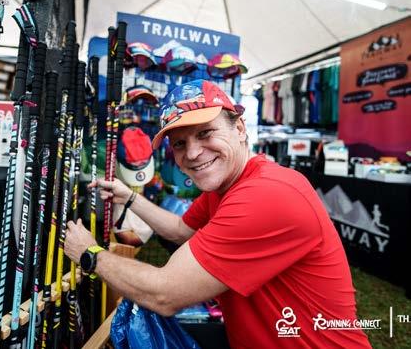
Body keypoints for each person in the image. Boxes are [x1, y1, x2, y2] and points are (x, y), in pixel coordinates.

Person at [65, 80, 371, 348]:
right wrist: (130, 197)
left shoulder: (266, 195)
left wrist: (90, 254)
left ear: (239, 129)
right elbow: (181, 230)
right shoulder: (226, 186)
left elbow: (165, 294)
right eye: (180, 143)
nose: (193, 153)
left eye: (205, 133)